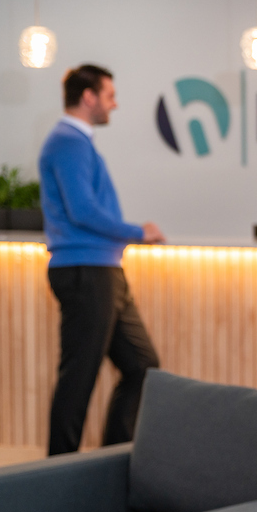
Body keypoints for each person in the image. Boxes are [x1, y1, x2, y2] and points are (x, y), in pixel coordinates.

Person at [39, 64, 165, 456]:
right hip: (86, 271)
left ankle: (111, 460)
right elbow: (82, 210)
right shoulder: (68, 142)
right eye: (110, 95)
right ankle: (56, 474)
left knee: (142, 365)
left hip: (104, 270)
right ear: (88, 97)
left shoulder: (79, 143)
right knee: (79, 377)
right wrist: (136, 231)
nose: (115, 103)